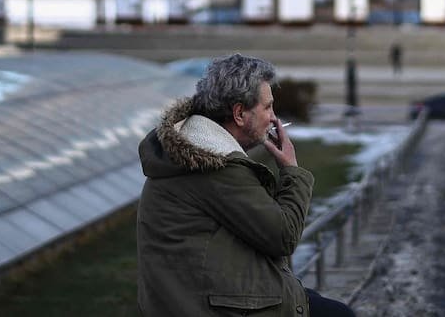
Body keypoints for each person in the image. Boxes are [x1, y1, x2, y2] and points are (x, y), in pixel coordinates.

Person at [137, 54, 354, 317]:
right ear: (239, 113)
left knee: (313, 301)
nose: (274, 118)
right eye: (268, 108)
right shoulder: (215, 168)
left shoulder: (195, 148)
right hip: (207, 306)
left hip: (194, 298)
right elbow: (283, 236)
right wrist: (292, 171)